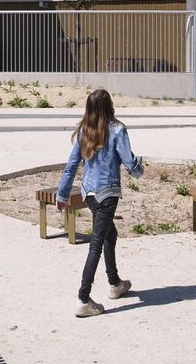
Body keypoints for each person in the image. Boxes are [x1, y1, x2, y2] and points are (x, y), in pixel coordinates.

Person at [56, 89, 143, 317]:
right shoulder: (117, 129)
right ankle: (83, 298)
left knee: (109, 235)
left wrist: (62, 195)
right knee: (96, 244)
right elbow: (129, 163)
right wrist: (139, 169)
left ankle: (115, 283)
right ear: (110, 106)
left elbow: (71, 165)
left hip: (89, 194)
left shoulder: (85, 130)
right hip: (108, 194)